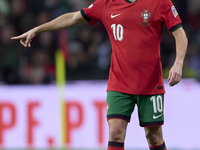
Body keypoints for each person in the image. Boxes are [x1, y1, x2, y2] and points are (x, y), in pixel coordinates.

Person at [11, 0, 188, 149]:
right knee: (115, 132)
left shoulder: (160, 3)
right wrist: (37, 29)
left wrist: (178, 63)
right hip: (119, 83)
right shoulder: (106, 4)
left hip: (150, 84)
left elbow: (180, 34)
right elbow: (72, 17)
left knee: (154, 137)